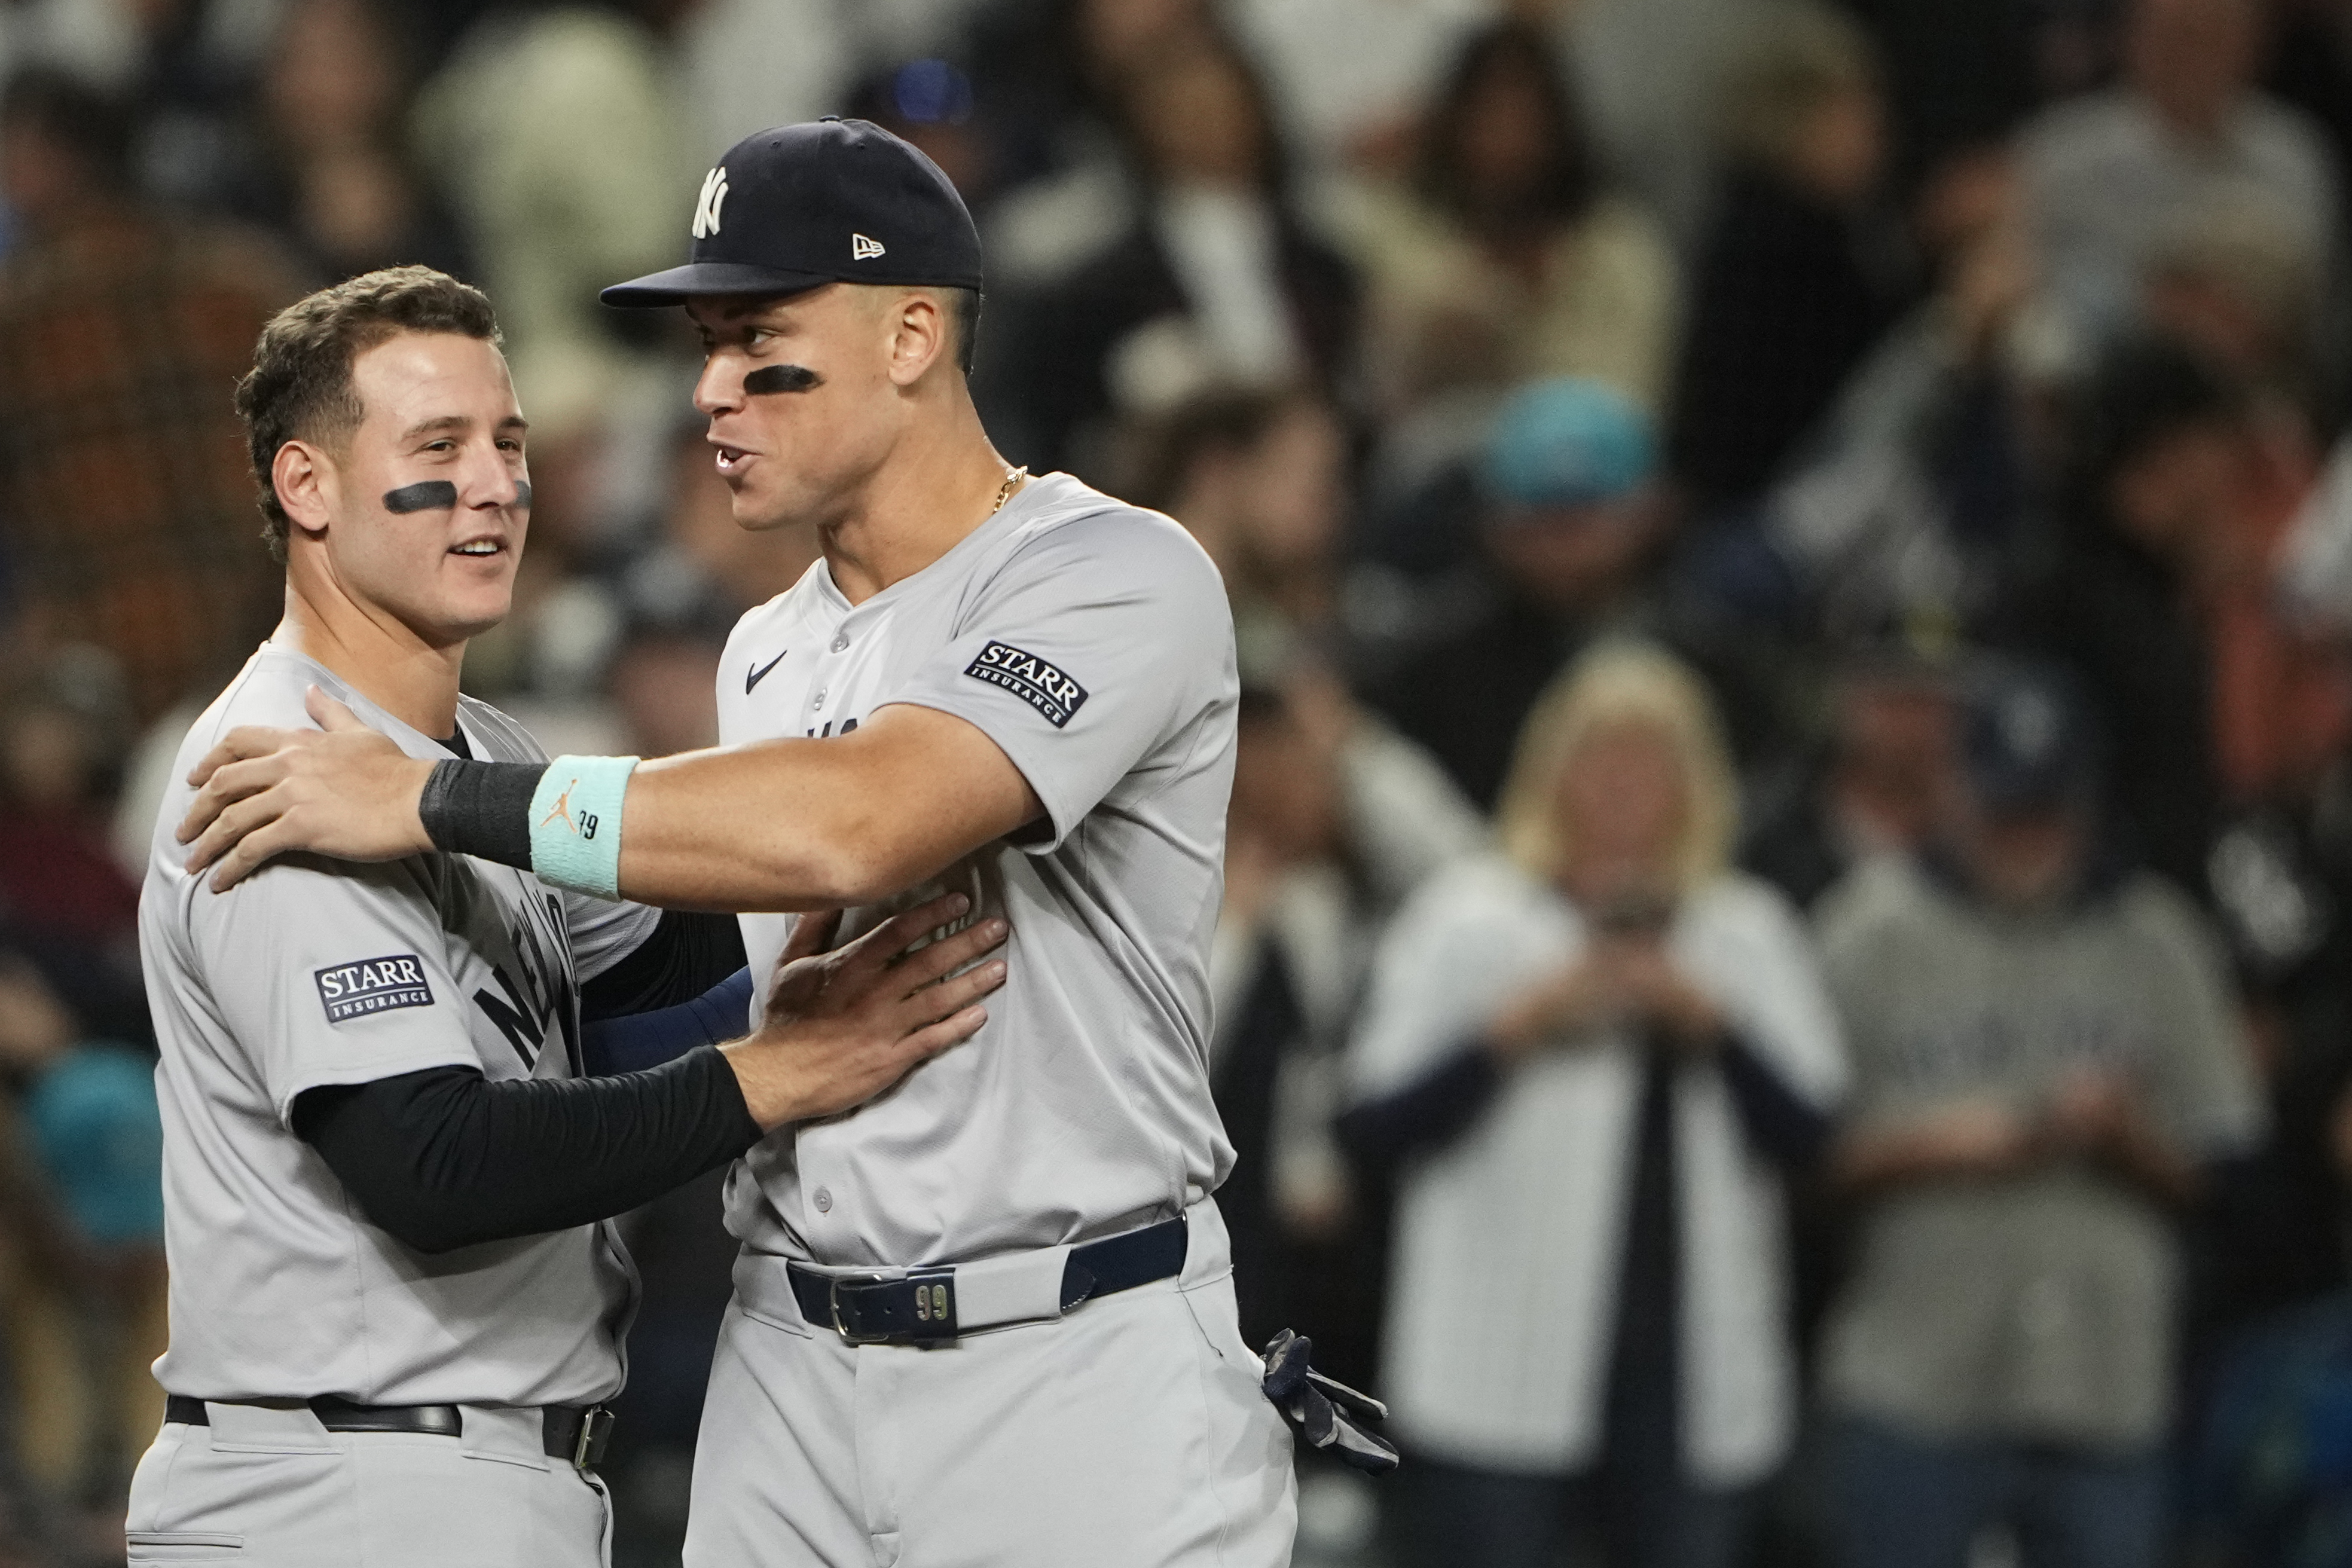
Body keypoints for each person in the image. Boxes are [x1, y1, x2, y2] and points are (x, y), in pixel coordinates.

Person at [167, 118, 1327, 1566]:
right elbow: (626, 1017)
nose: (710, 391)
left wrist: (433, 801)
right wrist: (760, 1059)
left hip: (1072, 1349)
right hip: (788, 1362)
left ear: (911, 331)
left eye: (755, 336)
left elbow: (858, 826)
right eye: (703, 344)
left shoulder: (1111, 573)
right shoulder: (767, 650)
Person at [130, 264, 1010, 1567]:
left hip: (460, 1474)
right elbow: (431, 1162)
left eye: (508, 442)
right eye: (437, 446)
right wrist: (771, 1075)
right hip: (343, 1492)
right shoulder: (280, 769)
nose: (492, 485)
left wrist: (907, 808)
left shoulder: (456, 750)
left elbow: (687, 949)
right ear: (305, 486)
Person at [1339, 643, 1846, 1568]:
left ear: (1694, 788)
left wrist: (1711, 1028)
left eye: (1650, 769)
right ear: (1551, 777)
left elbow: (1815, 1141)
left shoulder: (1742, 931)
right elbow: (1371, 1131)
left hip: (1687, 1385)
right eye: (1599, 765)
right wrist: (1516, 1028)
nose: (1621, 793)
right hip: (1492, 1377)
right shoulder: (1472, 921)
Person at [1815, 661, 2262, 1568]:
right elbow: (1791, 1160)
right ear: (1954, 793)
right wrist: (1937, 1146)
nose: (2025, 841)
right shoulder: (1866, 934)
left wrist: (2125, 1143)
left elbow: (2232, 1176)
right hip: (1916, 1378)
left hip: (2104, 1384)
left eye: (2045, 814)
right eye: (2003, 813)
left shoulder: (2156, 940)